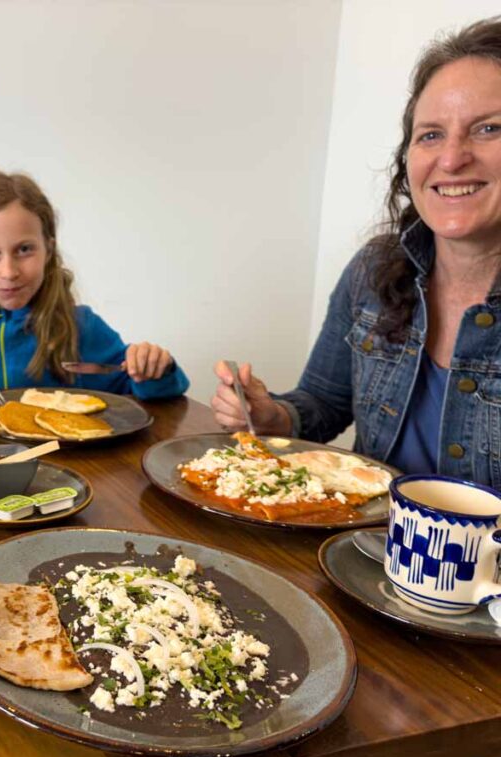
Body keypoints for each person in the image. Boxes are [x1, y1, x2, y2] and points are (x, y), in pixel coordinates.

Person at [211, 16, 501, 486]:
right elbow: (324, 405)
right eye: (430, 134)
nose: (450, 159)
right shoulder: (375, 269)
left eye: (487, 129)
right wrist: (272, 417)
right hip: (360, 549)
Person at [0, 171, 189, 408]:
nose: (9, 271)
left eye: (24, 249)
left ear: (49, 248)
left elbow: (147, 398)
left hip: (67, 480)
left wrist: (154, 369)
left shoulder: (81, 327)